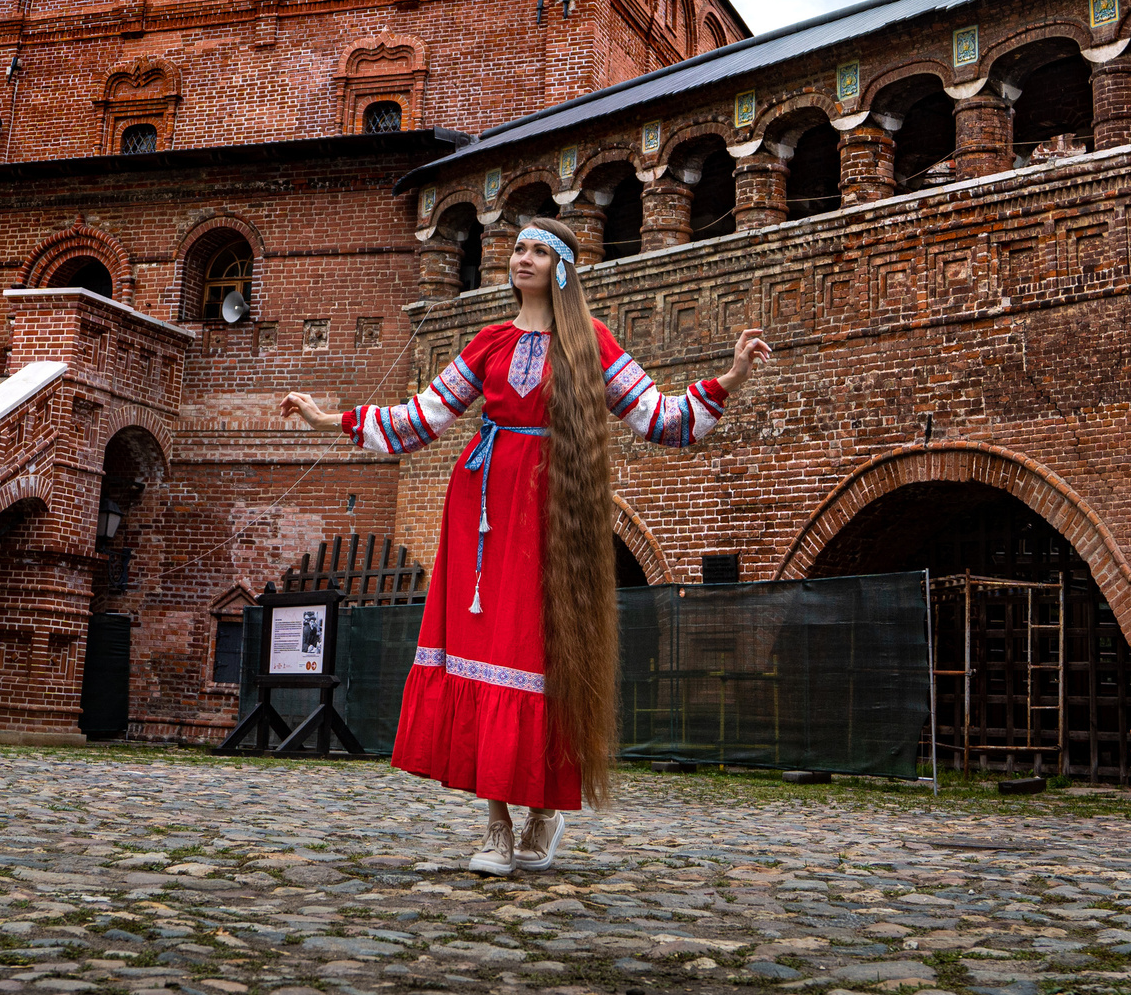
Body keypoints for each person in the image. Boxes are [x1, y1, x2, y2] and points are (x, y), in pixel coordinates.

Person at [280, 219, 768, 875]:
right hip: (480, 516)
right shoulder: (490, 342)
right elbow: (419, 417)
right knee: (485, 656)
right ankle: (496, 826)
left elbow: (660, 417)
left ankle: (544, 808)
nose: (523, 258)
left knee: (541, 658)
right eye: (517, 248)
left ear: (564, 266)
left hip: (553, 519)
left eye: (539, 249)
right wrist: (327, 417)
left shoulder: (589, 341)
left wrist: (730, 378)